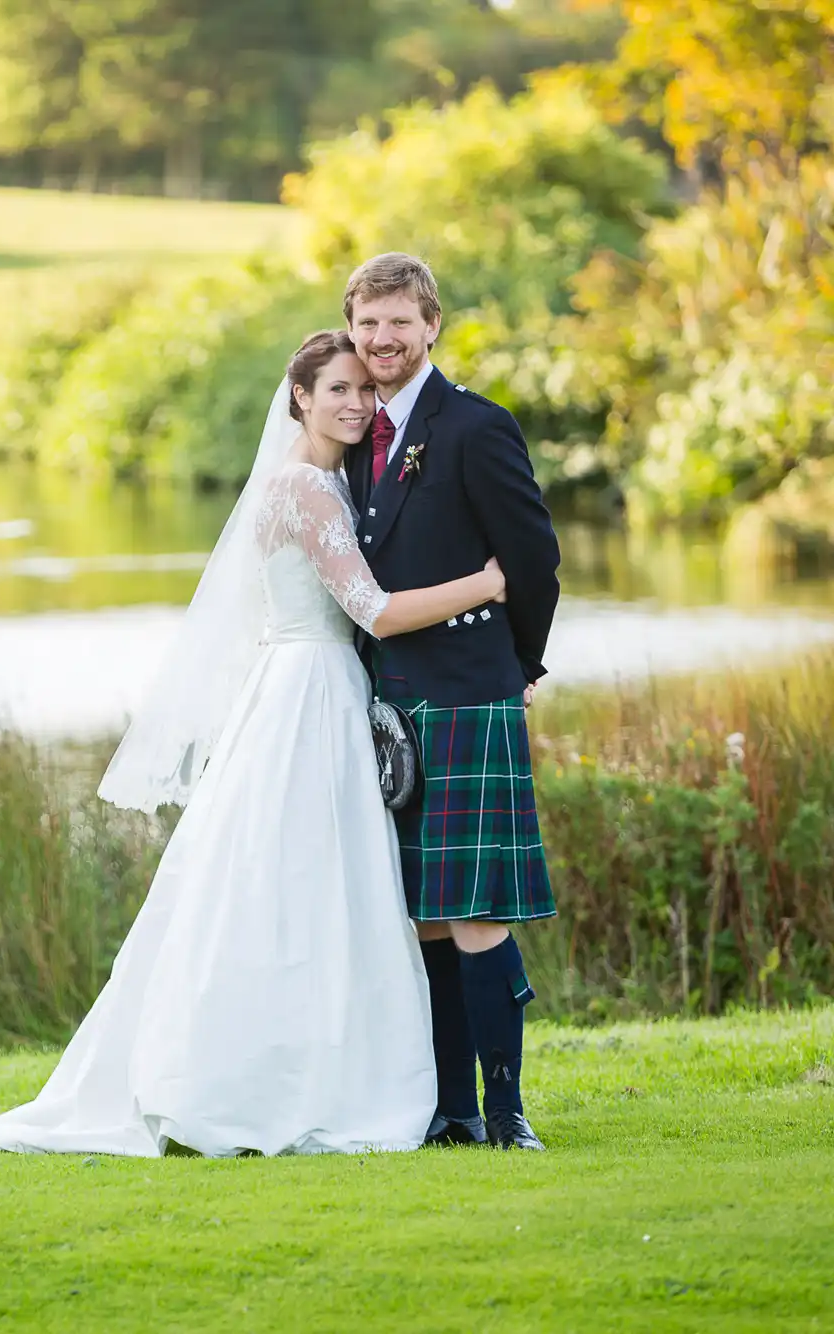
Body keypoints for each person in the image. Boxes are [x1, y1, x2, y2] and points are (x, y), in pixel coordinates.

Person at [0, 331, 508, 1156]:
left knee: (315, 890)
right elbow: (371, 610)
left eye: (362, 392)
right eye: (335, 388)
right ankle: (250, 1084)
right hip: (308, 695)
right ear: (298, 396)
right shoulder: (305, 488)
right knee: (290, 885)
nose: (355, 403)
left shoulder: (336, 483)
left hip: (322, 693)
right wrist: (484, 585)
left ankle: (323, 1071)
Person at [342, 252, 562, 1151]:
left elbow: (534, 563)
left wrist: (516, 671)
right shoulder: (352, 432)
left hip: (471, 698)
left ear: (431, 323)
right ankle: (451, 1111)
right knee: (425, 914)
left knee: (475, 911)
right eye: (368, 324)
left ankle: (508, 1113)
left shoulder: (475, 426)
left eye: (399, 322)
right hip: (388, 707)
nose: (383, 340)